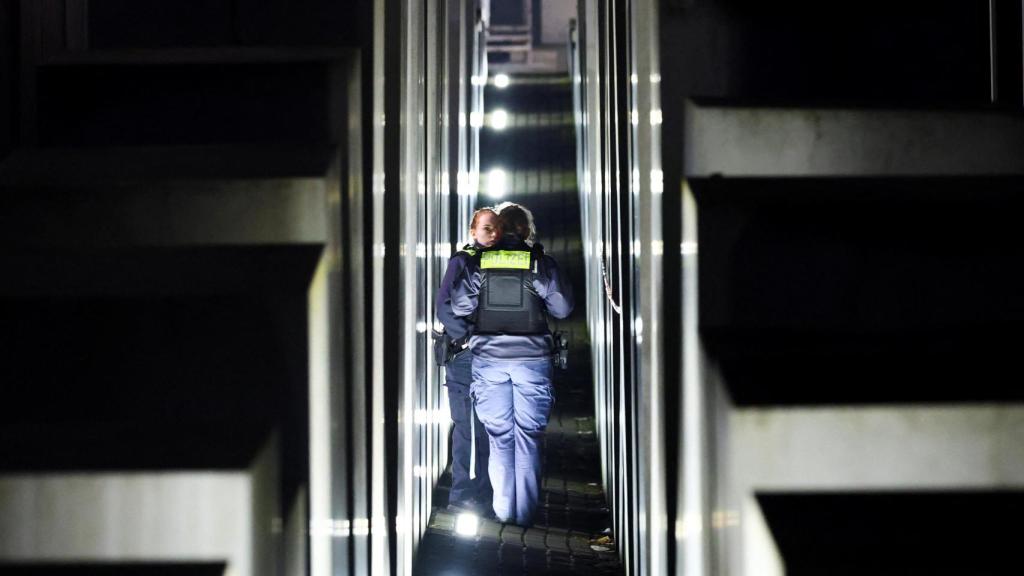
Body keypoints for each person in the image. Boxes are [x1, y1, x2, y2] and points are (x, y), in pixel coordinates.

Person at [451, 202, 574, 526]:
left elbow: (461, 304)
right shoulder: (539, 263)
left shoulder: (480, 262)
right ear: (527, 231)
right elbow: (562, 308)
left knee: (500, 437)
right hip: (532, 360)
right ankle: (524, 514)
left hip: (489, 361)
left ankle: (504, 511)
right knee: (529, 437)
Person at [435, 207, 498, 514]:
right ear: (473, 232)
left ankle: (482, 491)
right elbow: (443, 305)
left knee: (486, 427)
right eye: (486, 228)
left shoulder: (501, 262)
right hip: (465, 354)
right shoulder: (461, 261)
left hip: (492, 354)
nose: (492, 233)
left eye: (496, 228)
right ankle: (462, 493)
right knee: (465, 427)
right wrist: (466, 337)